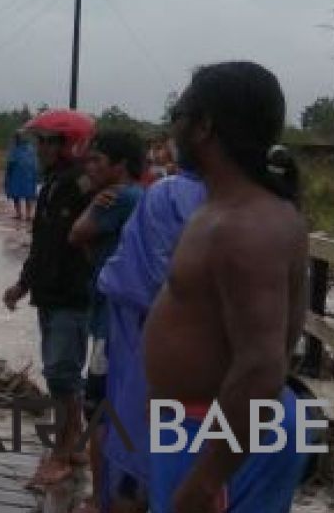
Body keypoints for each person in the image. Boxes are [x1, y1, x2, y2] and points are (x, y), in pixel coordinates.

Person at [144, 61, 308, 513]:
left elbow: (261, 366)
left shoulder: (244, 227)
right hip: (208, 428)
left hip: (219, 437)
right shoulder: (234, 208)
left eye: (179, 113)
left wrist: (205, 481)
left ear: (205, 125)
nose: (172, 127)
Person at [96, 165, 206, 513]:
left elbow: (143, 279)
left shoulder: (166, 195)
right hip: (226, 383)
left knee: (136, 463)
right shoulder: (273, 211)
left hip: (149, 349)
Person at [1, 109, 96, 487]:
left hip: (74, 295)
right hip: (50, 294)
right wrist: (23, 284)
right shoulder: (54, 184)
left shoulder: (85, 186)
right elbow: (43, 244)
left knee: (61, 373)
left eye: (45, 141)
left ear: (66, 145)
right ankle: (75, 446)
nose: (38, 148)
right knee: (61, 374)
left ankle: (63, 452)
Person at [68, 130, 146, 513]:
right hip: (131, 322)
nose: (90, 166)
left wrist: (91, 203)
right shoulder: (144, 199)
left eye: (98, 160)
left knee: (97, 411)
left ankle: (101, 500)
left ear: (121, 165)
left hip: (109, 322)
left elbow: (77, 234)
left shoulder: (120, 198)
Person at [4, 132, 40, 222]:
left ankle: (20, 213)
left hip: (18, 175)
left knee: (18, 194)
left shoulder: (15, 150)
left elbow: (10, 163)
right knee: (28, 195)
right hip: (28, 175)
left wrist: (8, 174)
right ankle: (27, 214)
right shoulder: (31, 149)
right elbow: (35, 163)